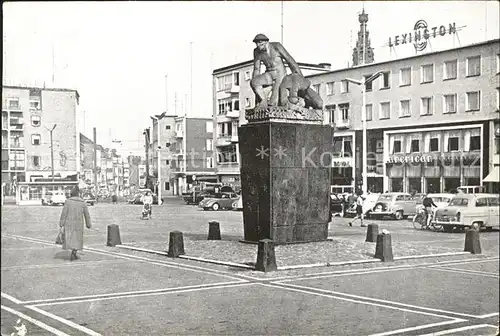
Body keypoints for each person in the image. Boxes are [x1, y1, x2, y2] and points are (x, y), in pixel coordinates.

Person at [250, 33, 303, 108]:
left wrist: (299, 76)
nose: (258, 45)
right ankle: (263, 101)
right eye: (257, 43)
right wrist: (256, 89)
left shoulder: (276, 46)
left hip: (280, 74)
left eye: (260, 43)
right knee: (254, 82)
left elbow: (290, 60)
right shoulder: (256, 51)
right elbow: (256, 69)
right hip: (269, 74)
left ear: (266, 42)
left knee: (274, 101)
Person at [59, 186, 92, 261]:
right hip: (79, 223)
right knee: (77, 239)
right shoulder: (82, 202)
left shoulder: (68, 201)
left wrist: (61, 224)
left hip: (69, 223)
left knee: (70, 238)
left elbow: (64, 213)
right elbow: (87, 215)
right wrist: (88, 224)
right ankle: (74, 252)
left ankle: (73, 252)